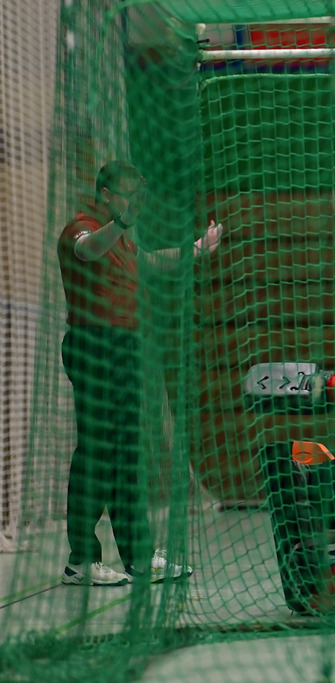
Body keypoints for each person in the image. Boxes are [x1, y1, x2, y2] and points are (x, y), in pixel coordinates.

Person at [57, 160, 219, 586]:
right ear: (106, 194)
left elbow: (152, 261)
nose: (134, 202)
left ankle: (140, 557)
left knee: (128, 453)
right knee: (97, 452)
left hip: (124, 348)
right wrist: (124, 221)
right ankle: (80, 560)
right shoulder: (82, 227)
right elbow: (87, 249)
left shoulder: (123, 241)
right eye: (128, 193)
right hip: (94, 347)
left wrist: (195, 248)